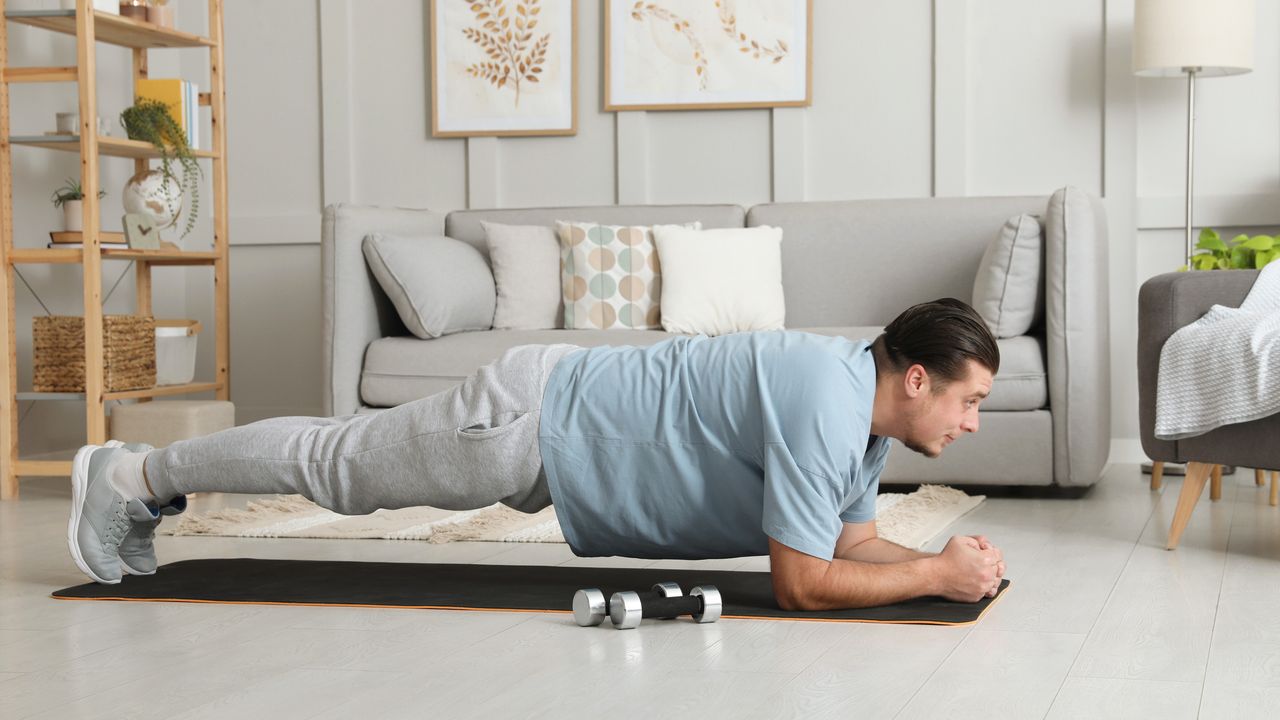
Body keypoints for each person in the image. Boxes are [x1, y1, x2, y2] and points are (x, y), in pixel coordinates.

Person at [67, 297, 1006, 609]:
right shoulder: (825, 400)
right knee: (337, 466)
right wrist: (931, 580)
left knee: (338, 463)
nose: (972, 423)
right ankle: (133, 474)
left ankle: (141, 483)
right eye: (969, 400)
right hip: (530, 425)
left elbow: (849, 546)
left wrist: (941, 563)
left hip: (559, 444)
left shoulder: (860, 420)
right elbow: (803, 583)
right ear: (916, 377)